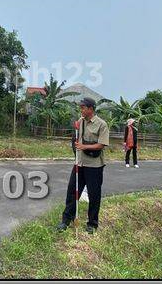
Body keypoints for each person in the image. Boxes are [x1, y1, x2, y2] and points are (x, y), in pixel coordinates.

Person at [56, 97, 110, 234]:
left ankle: (92, 224)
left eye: (83, 107)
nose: (81, 110)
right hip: (79, 164)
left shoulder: (101, 124)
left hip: (94, 166)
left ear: (91, 109)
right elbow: (76, 140)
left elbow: (101, 145)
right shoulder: (80, 122)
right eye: (80, 107)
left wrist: (83, 146)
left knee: (94, 195)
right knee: (72, 193)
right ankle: (66, 220)